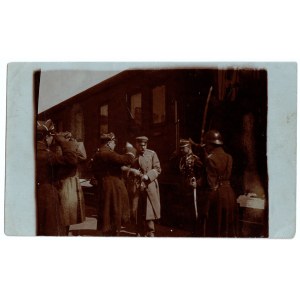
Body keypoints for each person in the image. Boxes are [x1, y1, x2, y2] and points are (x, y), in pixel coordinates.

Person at [36, 119, 78, 236]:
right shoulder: (47, 155)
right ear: (46, 137)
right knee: (51, 230)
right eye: (51, 136)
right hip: (48, 196)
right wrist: (63, 141)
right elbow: (72, 160)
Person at [91, 132, 135, 236]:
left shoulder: (98, 153)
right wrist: (130, 148)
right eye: (114, 142)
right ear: (109, 142)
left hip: (104, 187)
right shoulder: (107, 153)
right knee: (114, 214)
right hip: (112, 189)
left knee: (107, 214)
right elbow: (127, 159)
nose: (115, 145)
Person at [201, 129, 237, 237]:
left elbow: (211, 184)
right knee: (228, 228)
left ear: (211, 144)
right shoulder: (229, 157)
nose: (206, 147)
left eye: (206, 145)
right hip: (230, 195)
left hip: (217, 197)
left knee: (215, 229)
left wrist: (206, 204)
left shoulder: (210, 159)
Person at [54, 131, 87, 235]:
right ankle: (63, 233)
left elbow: (83, 157)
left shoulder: (68, 147)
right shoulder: (60, 148)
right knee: (64, 212)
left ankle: (65, 233)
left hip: (69, 181)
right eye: (69, 138)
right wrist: (74, 146)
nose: (71, 140)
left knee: (67, 212)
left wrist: (75, 146)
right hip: (64, 181)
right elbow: (80, 158)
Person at [129, 136, 161, 237]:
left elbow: (158, 169)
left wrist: (148, 176)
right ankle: (139, 232)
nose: (143, 147)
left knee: (149, 211)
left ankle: (150, 232)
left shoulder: (152, 154)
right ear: (136, 145)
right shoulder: (132, 154)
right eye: (141, 145)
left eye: (145, 145)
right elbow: (126, 168)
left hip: (149, 186)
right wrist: (132, 172)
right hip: (137, 186)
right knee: (137, 210)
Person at [178, 139, 204, 236]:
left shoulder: (195, 159)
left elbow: (201, 173)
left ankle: (197, 232)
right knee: (188, 210)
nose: (181, 150)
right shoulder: (182, 159)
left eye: (183, 148)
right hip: (185, 188)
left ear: (188, 148)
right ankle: (192, 231)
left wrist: (196, 182)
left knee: (195, 210)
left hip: (194, 189)